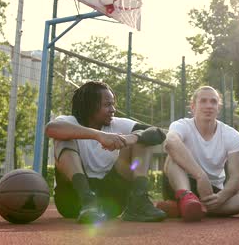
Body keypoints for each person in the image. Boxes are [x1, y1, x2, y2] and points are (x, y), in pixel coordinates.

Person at [45, 81, 167, 224]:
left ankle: (138, 202)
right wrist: (99, 135)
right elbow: (50, 129)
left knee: (143, 139)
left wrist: (132, 138)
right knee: (63, 139)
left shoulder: (117, 124)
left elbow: (158, 133)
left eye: (113, 104)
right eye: (107, 105)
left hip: (111, 201)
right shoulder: (68, 121)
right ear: (90, 106)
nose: (113, 109)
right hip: (72, 202)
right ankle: (88, 201)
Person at [157, 86, 239, 222]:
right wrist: (200, 176)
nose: (209, 106)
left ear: (218, 108)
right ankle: (187, 200)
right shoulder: (181, 125)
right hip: (181, 184)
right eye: (203, 101)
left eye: (213, 102)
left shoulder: (232, 135)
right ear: (193, 106)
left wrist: (221, 197)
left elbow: (236, 178)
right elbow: (170, 143)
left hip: (212, 194)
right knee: (172, 158)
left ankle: (190, 208)